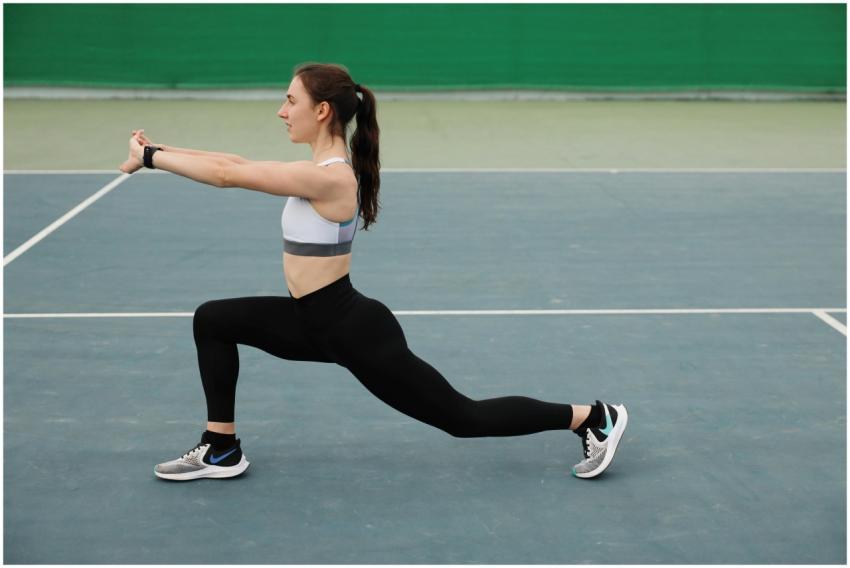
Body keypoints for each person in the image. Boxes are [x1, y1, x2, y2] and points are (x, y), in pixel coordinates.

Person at [120, 62, 628, 481]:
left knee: (462, 418)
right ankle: (221, 447)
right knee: (213, 320)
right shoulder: (316, 169)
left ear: (321, 111)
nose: (281, 111)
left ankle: (590, 417)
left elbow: (229, 175)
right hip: (311, 321)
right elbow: (231, 159)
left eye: (290, 101)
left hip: (352, 330)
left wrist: (150, 157)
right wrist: (159, 150)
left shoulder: (332, 177)